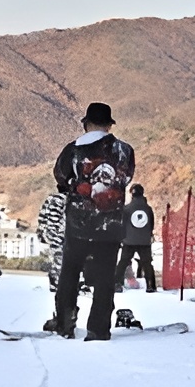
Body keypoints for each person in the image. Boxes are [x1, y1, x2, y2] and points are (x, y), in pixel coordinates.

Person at [48, 102, 135, 340]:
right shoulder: (124, 150)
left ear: (86, 124)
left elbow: (60, 176)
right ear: (109, 125)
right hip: (111, 225)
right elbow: (126, 178)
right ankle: (98, 328)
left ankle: (65, 323)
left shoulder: (73, 149)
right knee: (106, 277)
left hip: (78, 223)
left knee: (70, 272)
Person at [118, 182, 158, 292]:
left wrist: (122, 237)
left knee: (123, 262)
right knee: (147, 263)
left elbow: (123, 224)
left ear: (132, 194)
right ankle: (150, 285)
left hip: (129, 240)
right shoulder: (148, 209)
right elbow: (151, 224)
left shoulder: (126, 209)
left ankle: (117, 283)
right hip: (145, 241)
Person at [37, 189, 67, 291]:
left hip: (56, 238)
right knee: (60, 260)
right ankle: (59, 284)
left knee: (59, 260)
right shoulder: (60, 199)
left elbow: (43, 218)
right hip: (59, 239)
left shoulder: (53, 198)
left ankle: (58, 284)